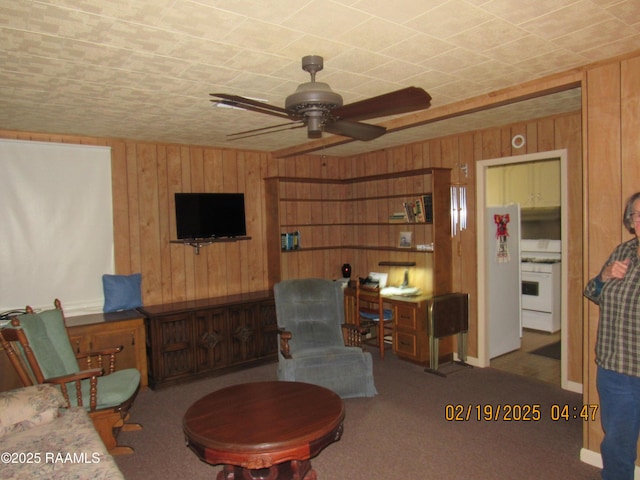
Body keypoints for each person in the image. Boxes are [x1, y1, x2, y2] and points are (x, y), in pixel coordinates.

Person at [584, 191, 640, 480]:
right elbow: (590, 292)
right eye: (637, 215)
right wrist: (603, 277)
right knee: (617, 444)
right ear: (631, 222)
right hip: (615, 369)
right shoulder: (623, 252)